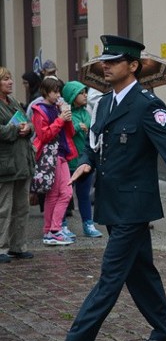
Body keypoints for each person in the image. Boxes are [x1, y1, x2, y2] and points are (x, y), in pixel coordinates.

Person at [43, 35, 166, 341]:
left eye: (113, 61)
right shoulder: (105, 103)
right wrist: (87, 162)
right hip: (110, 202)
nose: (105, 66)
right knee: (140, 273)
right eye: (104, 61)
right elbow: (99, 146)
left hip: (135, 207)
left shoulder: (148, 105)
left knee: (110, 274)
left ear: (133, 65)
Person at [31, 76, 77, 246]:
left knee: (57, 194)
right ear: (46, 91)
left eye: (59, 91)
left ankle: (49, 230)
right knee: (64, 193)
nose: (58, 95)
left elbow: (69, 133)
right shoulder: (39, 110)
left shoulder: (57, 108)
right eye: (55, 91)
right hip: (51, 155)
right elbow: (44, 135)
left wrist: (67, 117)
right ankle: (55, 230)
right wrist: (60, 120)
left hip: (62, 153)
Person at [0, 66, 35, 263]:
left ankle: (18, 246)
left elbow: (27, 121)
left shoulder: (13, 101)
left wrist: (27, 128)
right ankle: (1, 248)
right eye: (5, 79)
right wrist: (15, 129)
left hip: (22, 162)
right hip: (5, 165)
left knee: (21, 208)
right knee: (3, 209)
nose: (10, 82)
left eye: (10, 78)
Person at [61, 81, 103, 238]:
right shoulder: (67, 113)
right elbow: (65, 134)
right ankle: (61, 224)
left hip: (85, 162)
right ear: (72, 96)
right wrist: (78, 127)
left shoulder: (87, 113)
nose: (85, 95)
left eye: (85, 92)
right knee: (65, 194)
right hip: (69, 162)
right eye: (81, 93)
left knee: (84, 194)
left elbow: (92, 133)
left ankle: (88, 224)